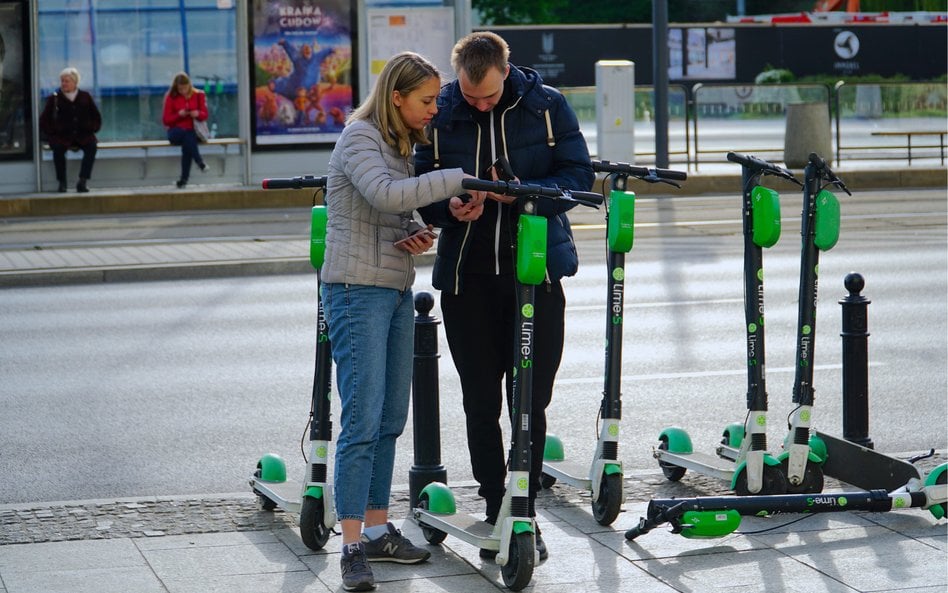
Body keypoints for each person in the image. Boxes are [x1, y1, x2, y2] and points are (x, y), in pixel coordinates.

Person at [415, 31, 595, 562]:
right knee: (480, 399)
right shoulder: (442, 109)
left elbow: (580, 179)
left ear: (505, 69)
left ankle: (526, 510)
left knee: (530, 400)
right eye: (471, 98)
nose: (480, 104)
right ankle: (497, 505)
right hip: (468, 278)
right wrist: (451, 208)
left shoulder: (546, 106)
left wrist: (515, 190)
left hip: (535, 274)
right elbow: (417, 183)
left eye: (488, 97)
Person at [322, 51, 486, 592]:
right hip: (355, 292)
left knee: (390, 418)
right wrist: (457, 179)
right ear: (396, 96)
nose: (434, 109)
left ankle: (375, 529)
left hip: (392, 289)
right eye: (426, 100)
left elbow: (392, 211)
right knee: (362, 422)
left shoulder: (397, 144)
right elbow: (384, 194)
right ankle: (349, 547)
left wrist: (419, 229)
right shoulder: (361, 136)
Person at [38, 67, 101, 192]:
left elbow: (96, 116)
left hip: (83, 135)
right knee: (58, 150)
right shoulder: (54, 98)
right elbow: (44, 119)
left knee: (92, 147)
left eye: (67, 81)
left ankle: (82, 181)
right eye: (62, 81)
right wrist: (52, 133)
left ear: (75, 82)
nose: (64, 84)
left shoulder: (85, 96)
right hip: (62, 136)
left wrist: (92, 128)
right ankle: (62, 183)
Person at [162, 72, 209, 188]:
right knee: (187, 135)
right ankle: (199, 162)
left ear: (189, 85)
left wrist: (197, 113)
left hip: (193, 132)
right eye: (180, 89)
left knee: (187, 144)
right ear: (176, 87)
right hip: (175, 132)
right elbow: (166, 120)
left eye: (185, 88)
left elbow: (205, 115)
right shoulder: (171, 97)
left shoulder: (199, 95)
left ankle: (183, 181)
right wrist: (179, 115)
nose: (183, 91)